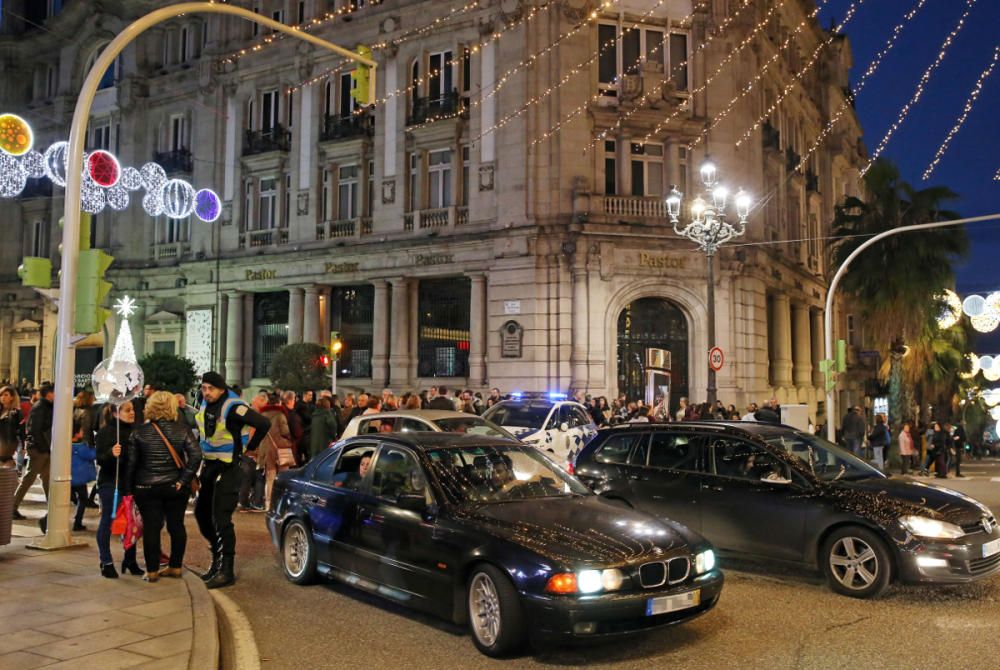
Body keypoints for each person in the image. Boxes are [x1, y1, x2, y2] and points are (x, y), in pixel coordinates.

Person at [195, 372, 270, 589]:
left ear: (221, 388)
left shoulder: (234, 407)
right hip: (209, 465)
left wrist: (252, 446)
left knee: (221, 517)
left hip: (230, 467)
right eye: (204, 388)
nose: (206, 392)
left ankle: (225, 570)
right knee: (201, 513)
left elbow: (263, 423)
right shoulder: (202, 402)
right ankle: (217, 559)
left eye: (210, 388)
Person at [126, 392, 202, 582]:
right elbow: (196, 455)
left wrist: (129, 490)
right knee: (176, 526)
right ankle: (175, 566)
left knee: (152, 528)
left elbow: (131, 464)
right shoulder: (182, 429)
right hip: (175, 487)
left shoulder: (139, 432)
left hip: (146, 487)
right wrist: (183, 480)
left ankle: (151, 571)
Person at [95, 401, 142, 578]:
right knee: (108, 520)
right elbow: (100, 458)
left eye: (133, 410)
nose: (132, 413)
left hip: (131, 483)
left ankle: (130, 560)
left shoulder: (135, 431)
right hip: (111, 483)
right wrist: (110, 454)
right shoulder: (106, 432)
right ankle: (106, 561)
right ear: (115, 413)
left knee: (133, 523)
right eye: (127, 410)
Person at [12, 383, 54, 525]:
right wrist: (43, 448)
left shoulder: (45, 407)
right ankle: (12, 506)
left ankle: (52, 508)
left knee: (46, 478)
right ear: (48, 394)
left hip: (43, 448)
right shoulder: (41, 407)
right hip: (39, 449)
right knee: (30, 478)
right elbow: (35, 430)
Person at [260, 393, 294, 511]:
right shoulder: (280, 415)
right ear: (278, 403)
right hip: (280, 449)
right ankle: (281, 503)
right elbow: (285, 432)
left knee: (270, 477)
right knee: (283, 476)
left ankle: (268, 504)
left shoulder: (262, 414)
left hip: (266, 449)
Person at [70, 420, 96, 531]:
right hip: (79, 479)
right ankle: (77, 522)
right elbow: (92, 455)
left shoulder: (65, 446)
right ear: (76, 434)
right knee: (83, 499)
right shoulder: (80, 447)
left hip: (69, 478)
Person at [0, 385, 23, 469]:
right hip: (2, 442)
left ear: (12, 397)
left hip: (8, 443)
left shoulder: (16, 412)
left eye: (6, 395)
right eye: (1, 395)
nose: (2, 397)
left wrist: (23, 446)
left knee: (6, 467)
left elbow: (22, 429)